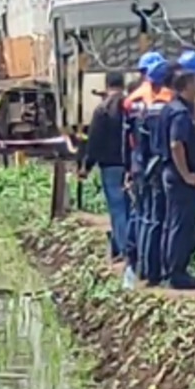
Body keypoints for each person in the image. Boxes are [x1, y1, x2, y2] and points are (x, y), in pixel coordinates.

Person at [160, 51, 195, 289]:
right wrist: (187, 174)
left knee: (174, 222)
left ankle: (172, 270)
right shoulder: (179, 112)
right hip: (180, 177)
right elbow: (176, 144)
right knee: (182, 224)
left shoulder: (172, 107)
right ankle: (177, 274)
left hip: (173, 175)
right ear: (188, 83)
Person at [121, 50, 164, 288]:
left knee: (138, 213)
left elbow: (126, 138)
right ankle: (149, 268)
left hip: (136, 164)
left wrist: (127, 166)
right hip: (153, 164)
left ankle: (133, 260)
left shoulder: (131, 100)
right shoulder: (164, 99)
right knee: (152, 216)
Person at [79, 72, 130, 260]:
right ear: (123, 84)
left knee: (117, 208)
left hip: (110, 166)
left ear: (107, 85)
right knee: (130, 207)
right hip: (130, 165)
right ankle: (127, 246)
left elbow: (95, 141)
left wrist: (87, 165)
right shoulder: (130, 106)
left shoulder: (102, 109)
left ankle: (125, 251)